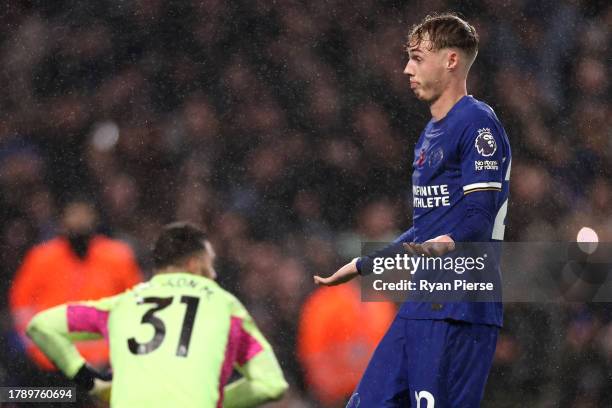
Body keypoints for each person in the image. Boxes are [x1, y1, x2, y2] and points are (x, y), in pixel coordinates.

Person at [315, 13, 511, 407]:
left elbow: (479, 217)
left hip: (460, 304)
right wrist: (364, 264)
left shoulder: (477, 123)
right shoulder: (429, 133)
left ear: (451, 61)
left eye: (418, 58)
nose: (407, 69)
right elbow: (427, 231)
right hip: (424, 300)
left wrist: (450, 242)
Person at [26, 222, 288, 407]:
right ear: (195, 265)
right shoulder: (224, 307)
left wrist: (91, 381)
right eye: (210, 264)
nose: (214, 274)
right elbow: (272, 384)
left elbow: (41, 326)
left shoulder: (121, 305)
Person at [10, 197, 143, 370]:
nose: (79, 221)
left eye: (84, 214)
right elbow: (21, 306)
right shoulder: (42, 258)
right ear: (62, 220)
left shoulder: (117, 256)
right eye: (74, 214)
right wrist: (36, 347)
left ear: (95, 218)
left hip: (104, 363)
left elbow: (134, 304)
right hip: (51, 363)